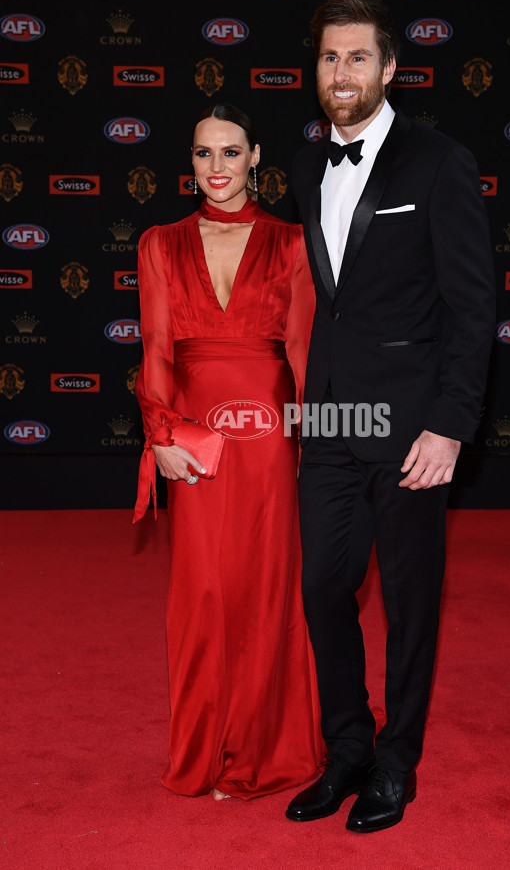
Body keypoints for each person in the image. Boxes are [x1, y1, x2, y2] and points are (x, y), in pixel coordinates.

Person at [285, 0, 496, 833]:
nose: (343, 74)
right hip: (333, 422)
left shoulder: (438, 162)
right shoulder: (305, 166)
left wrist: (450, 424)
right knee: (324, 588)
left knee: (410, 603)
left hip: (413, 428)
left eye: (359, 58)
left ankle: (396, 764)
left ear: (390, 69)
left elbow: (474, 307)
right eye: (331, 58)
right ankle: (347, 750)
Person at [133, 103, 322, 801]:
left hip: (272, 444)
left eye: (231, 153)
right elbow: (155, 350)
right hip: (197, 443)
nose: (217, 168)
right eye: (204, 155)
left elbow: (303, 353)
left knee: (269, 592)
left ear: (256, 158)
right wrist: (162, 439)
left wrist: (317, 447)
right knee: (205, 594)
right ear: (190, 164)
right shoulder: (160, 243)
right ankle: (207, 749)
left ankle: (267, 749)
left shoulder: (292, 243)